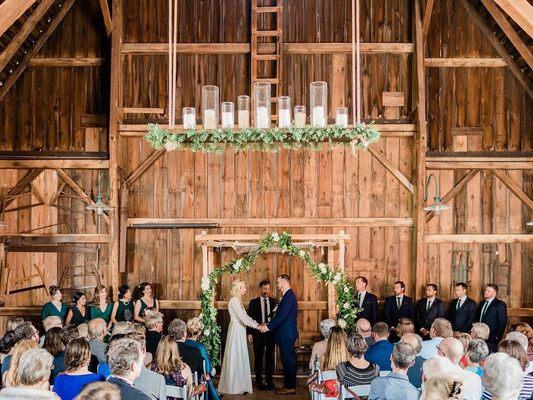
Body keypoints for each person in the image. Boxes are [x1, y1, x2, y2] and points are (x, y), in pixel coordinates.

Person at [218, 279, 260, 394]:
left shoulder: (238, 300)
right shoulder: (234, 301)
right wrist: (257, 326)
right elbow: (242, 317)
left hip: (241, 329)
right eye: (244, 287)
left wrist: (256, 324)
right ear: (239, 288)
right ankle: (234, 385)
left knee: (241, 354)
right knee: (235, 354)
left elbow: (246, 317)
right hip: (236, 330)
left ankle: (241, 384)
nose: (245, 290)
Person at [259, 274, 299, 394]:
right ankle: (289, 385)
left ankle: (290, 387)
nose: (277, 285)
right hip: (285, 333)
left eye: (278, 282)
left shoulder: (288, 296)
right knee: (287, 359)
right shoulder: (287, 296)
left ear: (284, 282)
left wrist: (267, 327)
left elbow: (281, 317)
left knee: (287, 360)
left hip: (286, 334)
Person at [246, 279, 277, 390]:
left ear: (270, 289)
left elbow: (277, 319)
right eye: (264, 288)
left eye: (268, 289)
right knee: (258, 357)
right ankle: (258, 381)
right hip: (257, 333)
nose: (266, 291)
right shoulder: (253, 302)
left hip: (270, 333)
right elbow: (249, 319)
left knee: (270, 357)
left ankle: (269, 381)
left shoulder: (275, 302)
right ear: (260, 289)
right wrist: (249, 333)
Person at [184, 317, 219, 400]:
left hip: (181, 379)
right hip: (196, 383)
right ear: (199, 333)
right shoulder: (200, 347)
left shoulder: (181, 343)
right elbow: (208, 369)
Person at [477, 284, 507, 352]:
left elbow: (502, 322)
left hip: (492, 338)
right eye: (485, 290)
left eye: (488, 291)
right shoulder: (482, 303)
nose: (485, 292)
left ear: (494, 293)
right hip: (479, 336)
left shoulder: (500, 304)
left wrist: (497, 337)